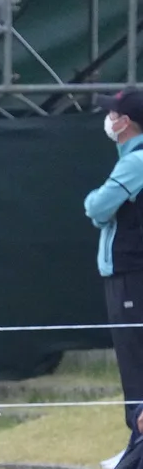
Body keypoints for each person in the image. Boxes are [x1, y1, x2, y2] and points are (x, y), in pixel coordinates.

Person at [86, 90, 143, 436]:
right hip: (128, 273)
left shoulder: (136, 162)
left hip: (132, 275)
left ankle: (138, 457)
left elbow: (96, 207)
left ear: (124, 122)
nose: (107, 119)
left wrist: (98, 208)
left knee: (136, 369)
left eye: (112, 113)